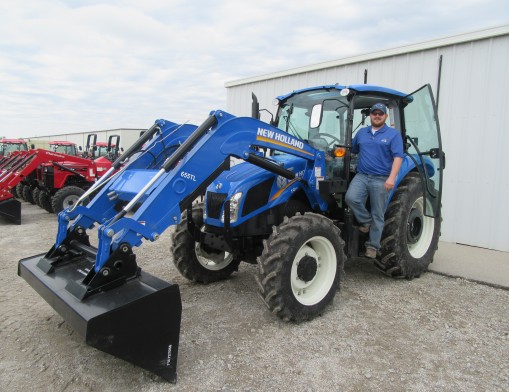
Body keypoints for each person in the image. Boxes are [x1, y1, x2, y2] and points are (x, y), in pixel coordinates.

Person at [345, 103, 404, 259]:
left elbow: (398, 157)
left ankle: (372, 246)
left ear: (385, 116)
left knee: (378, 213)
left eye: (380, 113)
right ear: (370, 115)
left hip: (382, 178)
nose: (377, 116)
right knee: (351, 198)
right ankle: (366, 222)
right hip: (362, 175)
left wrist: (392, 178)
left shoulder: (393, 134)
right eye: (374, 113)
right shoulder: (362, 133)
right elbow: (352, 151)